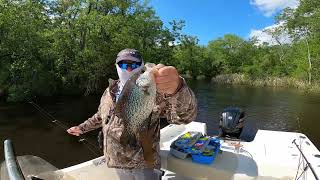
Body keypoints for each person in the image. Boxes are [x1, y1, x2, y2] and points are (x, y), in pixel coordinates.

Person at [67, 48, 197, 180]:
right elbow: (101, 116)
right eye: (124, 64)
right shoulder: (109, 91)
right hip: (116, 160)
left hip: (145, 163)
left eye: (134, 65)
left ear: (141, 66)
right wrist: (82, 128)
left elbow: (183, 118)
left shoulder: (155, 91)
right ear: (116, 66)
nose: (129, 69)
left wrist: (178, 89)